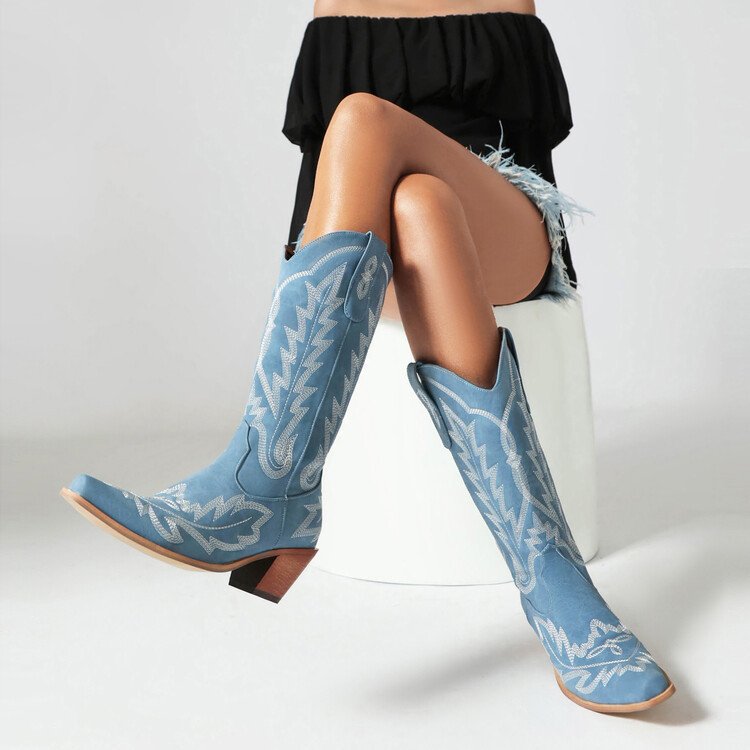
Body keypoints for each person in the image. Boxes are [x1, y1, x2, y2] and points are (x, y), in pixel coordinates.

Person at [60, 0, 674, 713]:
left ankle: (267, 488)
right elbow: (323, 182)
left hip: (501, 222)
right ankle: (556, 584)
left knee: (364, 120)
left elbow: (527, 148)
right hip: (375, 231)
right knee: (418, 204)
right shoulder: (337, 8)